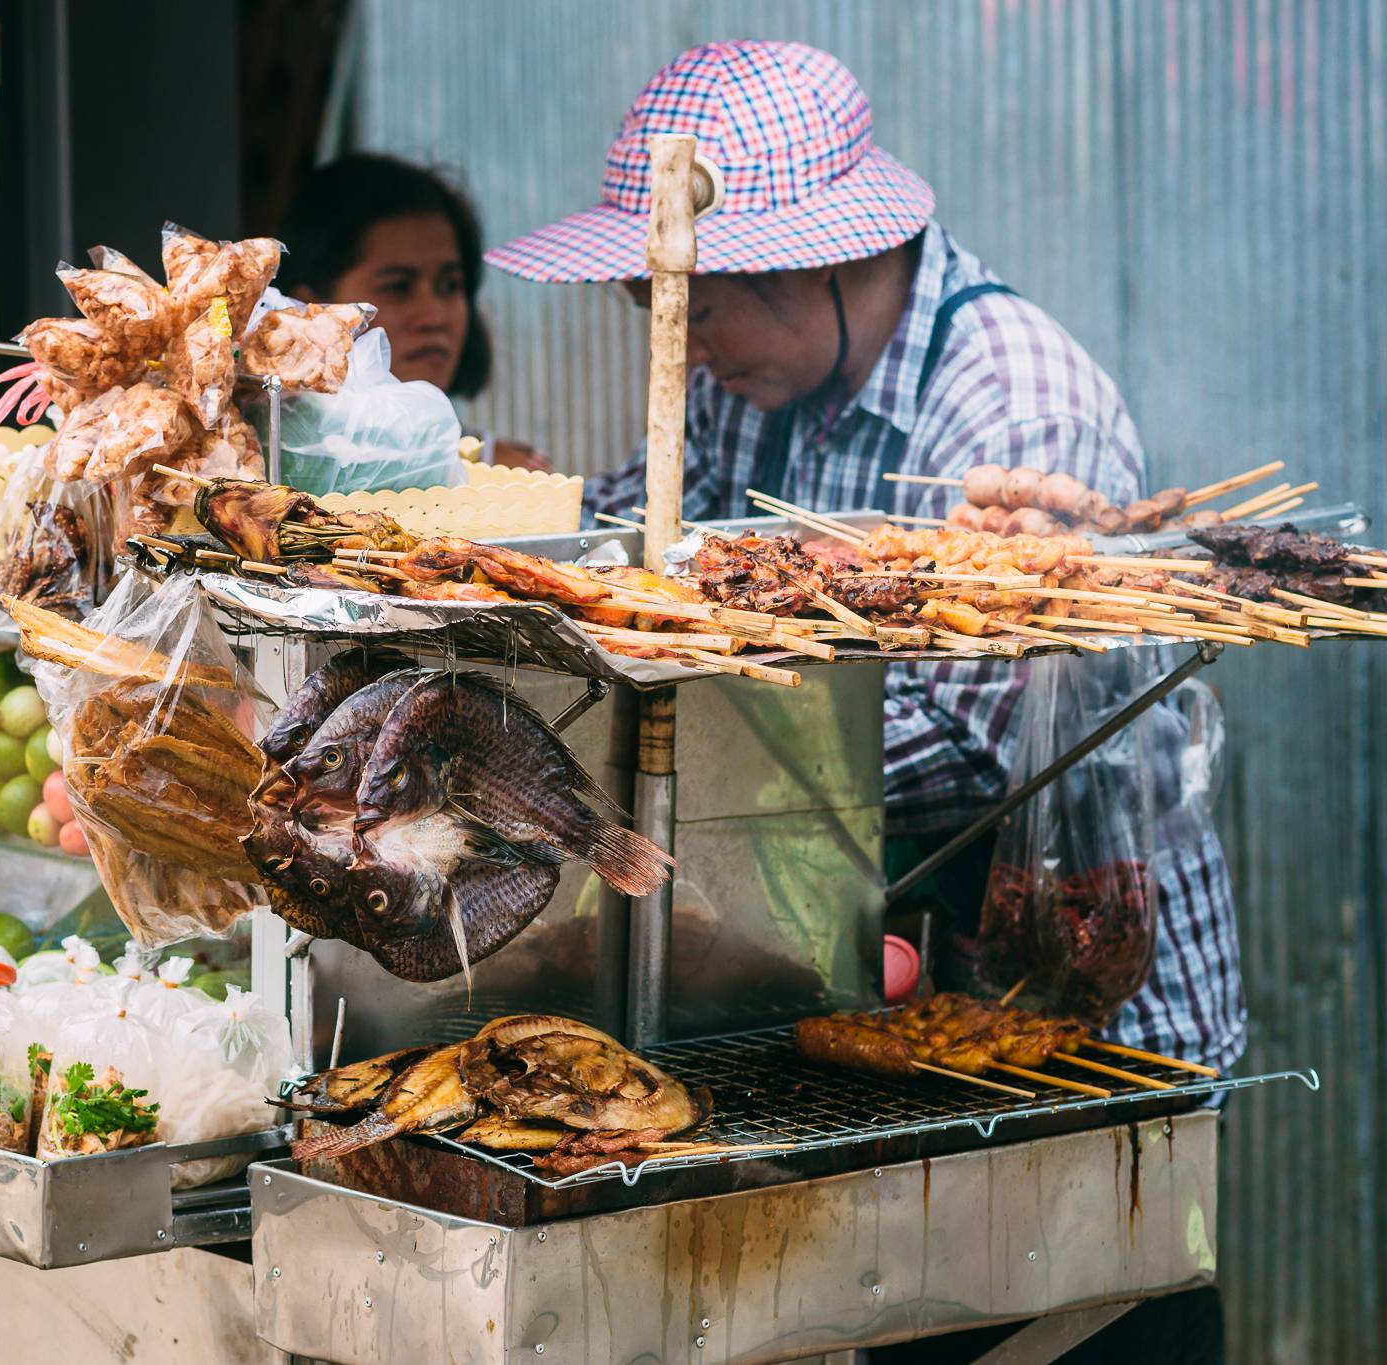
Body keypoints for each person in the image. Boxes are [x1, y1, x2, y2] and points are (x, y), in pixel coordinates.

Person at [486, 41, 1239, 1358]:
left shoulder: (1011, 402)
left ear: (818, 263)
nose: (680, 344)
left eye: (695, 307)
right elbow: (645, 533)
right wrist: (513, 535)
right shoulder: (748, 381)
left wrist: (660, 746)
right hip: (868, 1014)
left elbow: (972, 742)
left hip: (1065, 1020)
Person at [275, 153, 549, 471]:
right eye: (398, 286)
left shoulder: (511, 479)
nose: (434, 317)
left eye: (450, 285)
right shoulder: (252, 475)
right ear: (310, 311)